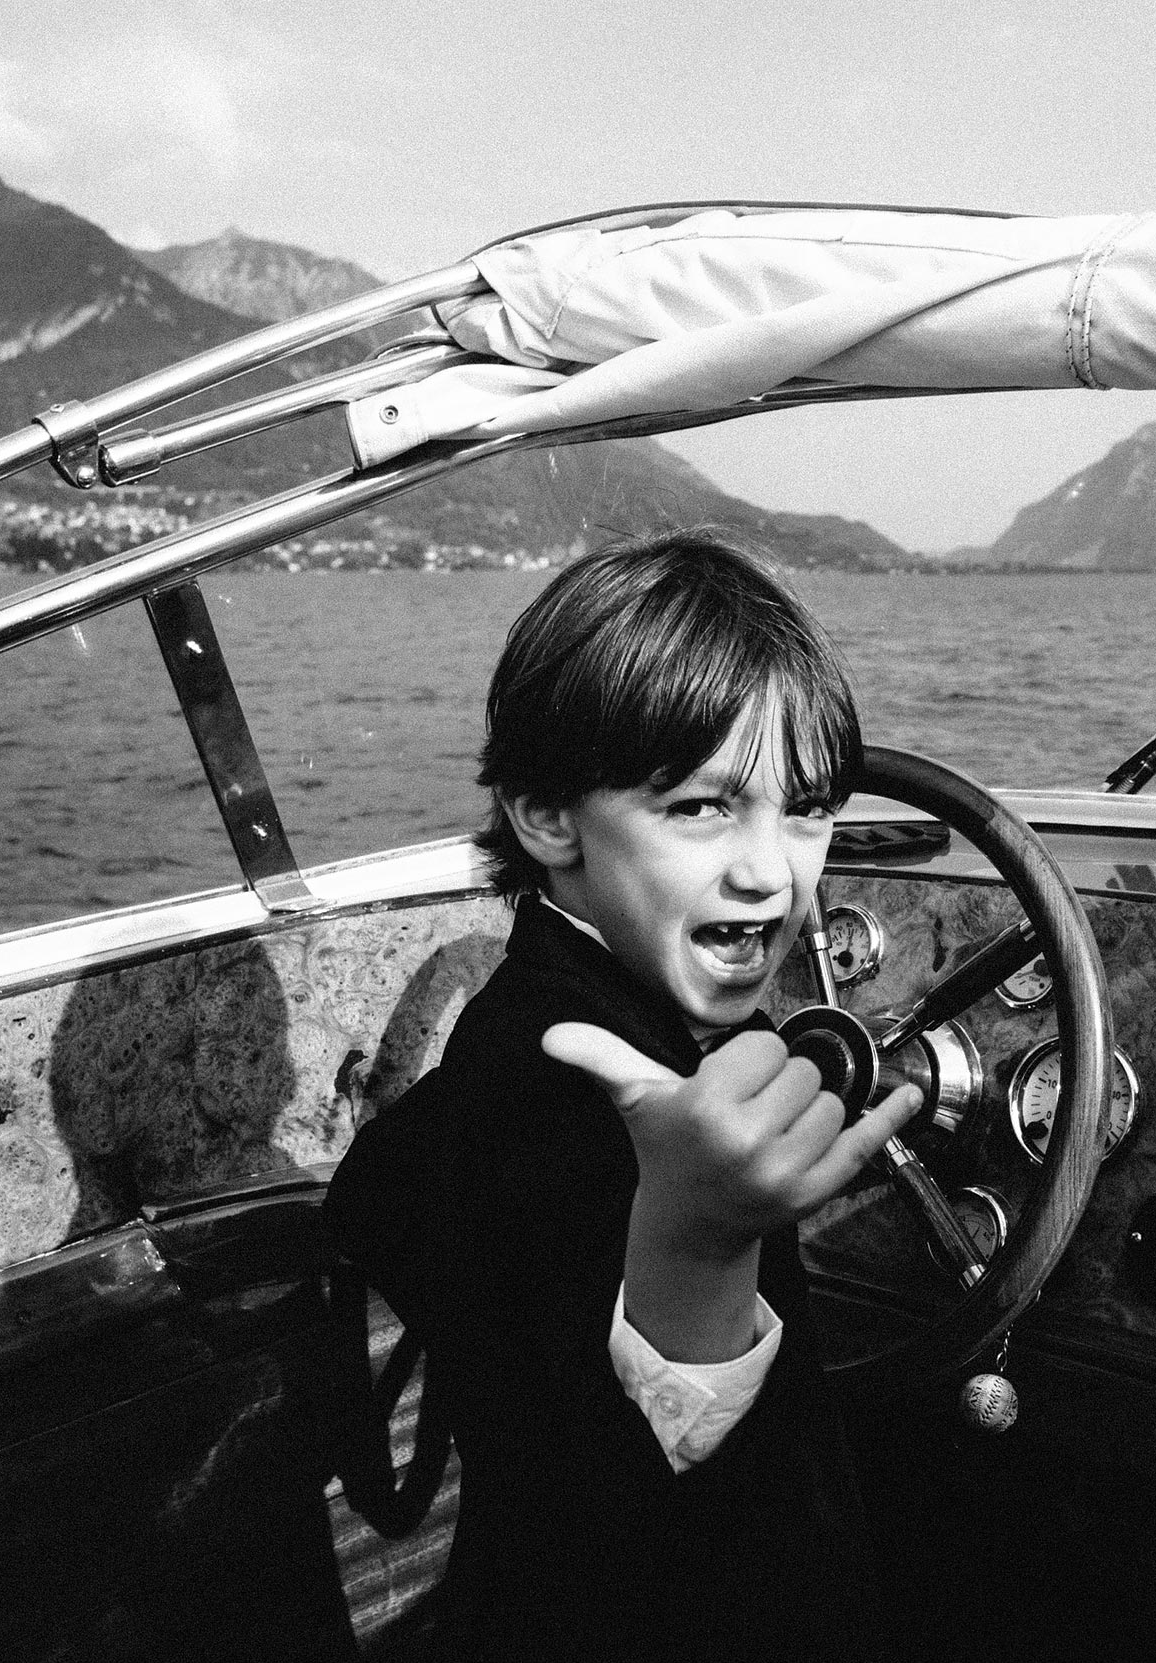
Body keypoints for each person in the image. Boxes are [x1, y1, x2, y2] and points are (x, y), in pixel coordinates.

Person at [326, 528, 922, 1662]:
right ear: (546, 816)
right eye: (701, 808)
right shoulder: (577, 1088)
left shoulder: (532, 1022)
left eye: (805, 807)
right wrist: (693, 1243)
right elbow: (647, 1512)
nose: (772, 871)